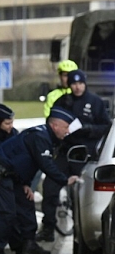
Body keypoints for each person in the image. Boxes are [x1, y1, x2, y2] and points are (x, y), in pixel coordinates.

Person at [0, 107, 80, 254]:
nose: (68, 131)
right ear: (55, 126)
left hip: (13, 176)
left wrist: (25, 184)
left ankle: (26, 244)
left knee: (26, 204)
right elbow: (45, 164)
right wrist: (65, 180)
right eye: (65, 128)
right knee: (5, 212)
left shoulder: (46, 136)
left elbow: (27, 162)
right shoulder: (40, 136)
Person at [37, 69, 112, 242]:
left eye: (80, 83)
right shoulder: (63, 101)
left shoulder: (95, 102)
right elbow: (51, 124)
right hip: (65, 151)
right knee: (50, 187)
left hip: (85, 154)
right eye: (73, 84)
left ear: (85, 84)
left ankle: (83, 230)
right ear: (69, 85)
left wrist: (90, 129)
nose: (77, 87)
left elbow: (106, 126)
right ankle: (48, 227)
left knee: (83, 191)